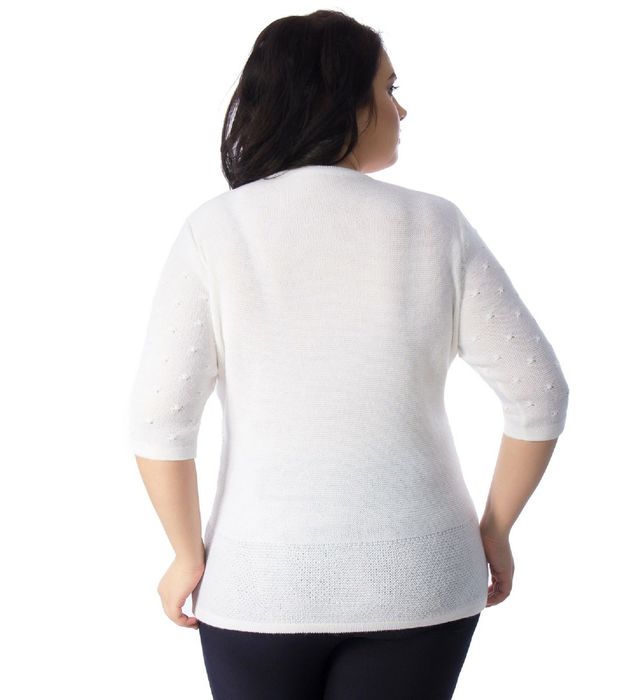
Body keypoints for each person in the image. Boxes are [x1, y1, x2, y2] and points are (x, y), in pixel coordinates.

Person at [127, 9, 569, 700]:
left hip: (260, 585)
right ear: (339, 98)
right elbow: (540, 394)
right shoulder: (435, 225)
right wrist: (495, 530)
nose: (401, 108)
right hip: (423, 577)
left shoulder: (215, 231)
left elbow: (160, 419)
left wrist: (186, 554)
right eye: (388, 88)